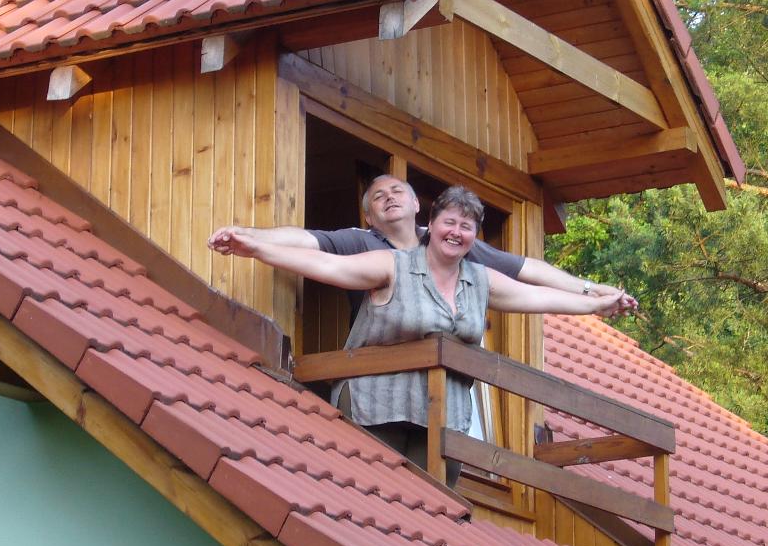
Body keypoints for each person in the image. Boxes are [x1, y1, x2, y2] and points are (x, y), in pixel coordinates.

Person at [210, 186, 627, 485]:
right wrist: (255, 246)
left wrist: (595, 302)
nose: (456, 232)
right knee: (377, 498)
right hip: (377, 404)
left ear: (474, 236)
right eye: (450, 222)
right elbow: (325, 265)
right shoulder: (390, 263)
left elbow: (537, 295)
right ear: (432, 225)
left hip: (442, 414)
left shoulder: (480, 279)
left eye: (466, 226)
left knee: (436, 511)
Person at [208, 173, 637, 310]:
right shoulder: (362, 244)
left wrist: (589, 291)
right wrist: (249, 236)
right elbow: (308, 245)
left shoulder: (449, 243)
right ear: (368, 215)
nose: (388, 197)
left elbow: (528, 276)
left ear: (418, 205)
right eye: (378, 196)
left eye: (397, 190)